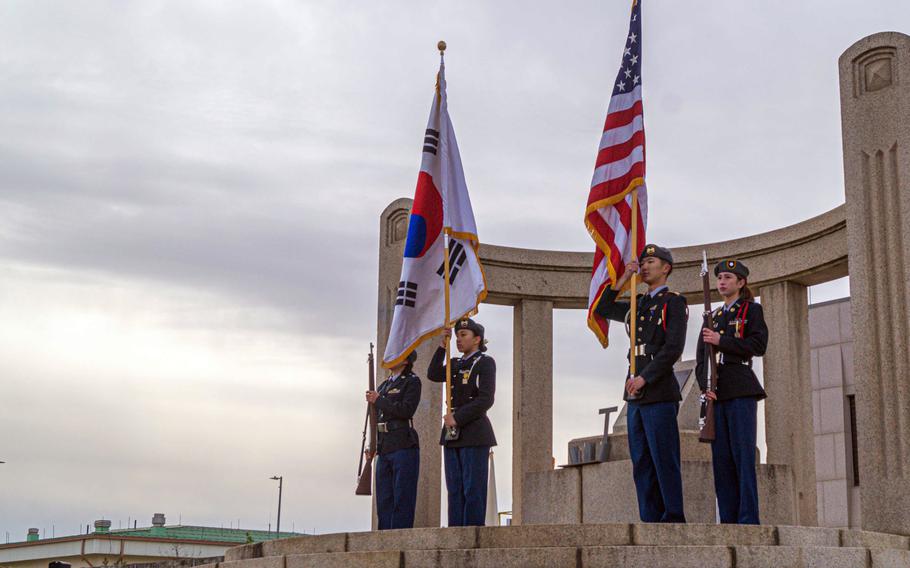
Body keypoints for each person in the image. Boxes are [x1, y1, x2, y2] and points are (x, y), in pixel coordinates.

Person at [595, 244, 688, 523]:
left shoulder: (673, 301)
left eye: (651, 262)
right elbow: (604, 307)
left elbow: (673, 348)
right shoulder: (639, 302)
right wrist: (624, 278)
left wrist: (645, 377)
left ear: (665, 267)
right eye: (643, 262)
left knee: (663, 458)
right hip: (634, 392)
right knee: (642, 462)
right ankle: (649, 517)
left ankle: (672, 516)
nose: (645, 266)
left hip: (657, 388)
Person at [696, 259, 768, 525]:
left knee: (742, 455)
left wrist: (721, 341)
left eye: (728, 277)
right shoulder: (711, 316)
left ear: (741, 282)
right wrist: (706, 388)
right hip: (717, 392)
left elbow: (758, 344)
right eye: (720, 278)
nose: (722, 282)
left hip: (740, 387)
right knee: (722, 460)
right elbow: (701, 357)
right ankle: (727, 520)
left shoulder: (751, 310)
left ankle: (748, 519)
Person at [427, 318, 496, 527]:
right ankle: (455, 532)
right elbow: (433, 373)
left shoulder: (484, 362)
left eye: (463, 335)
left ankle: (471, 533)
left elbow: (486, 399)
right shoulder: (455, 364)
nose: (459, 340)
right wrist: (442, 346)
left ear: (477, 339)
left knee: (472, 488)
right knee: (455, 489)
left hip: (473, 431)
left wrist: (458, 417)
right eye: (457, 336)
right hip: (452, 433)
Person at [365, 350, 422, 529]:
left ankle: (400, 539)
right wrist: (372, 444)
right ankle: (384, 538)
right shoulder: (384, 386)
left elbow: (406, 410)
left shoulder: (411, 381)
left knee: (402, 498)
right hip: (384, 445)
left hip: (402, 443)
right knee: (384, 500)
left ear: (405, 360)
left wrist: (379, 400)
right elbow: (376, 418)